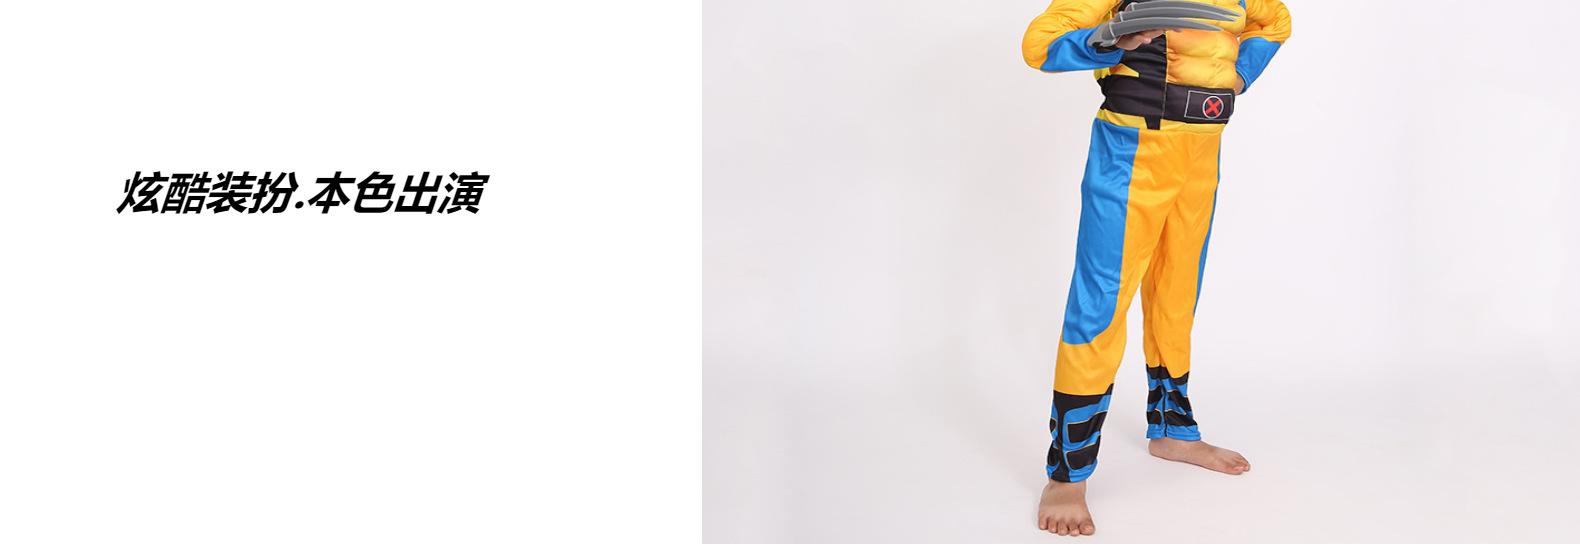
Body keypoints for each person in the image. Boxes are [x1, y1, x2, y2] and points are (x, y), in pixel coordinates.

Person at [1020, 0, 1292, 537]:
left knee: (1176, 293)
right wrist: (1107, 38)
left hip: (1201, 153)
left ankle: (1172, 432)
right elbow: (1039, 45)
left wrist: (1239, 76)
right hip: (1131, 150)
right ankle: (1068, 476)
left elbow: (1276, 21)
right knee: (1101, 304)